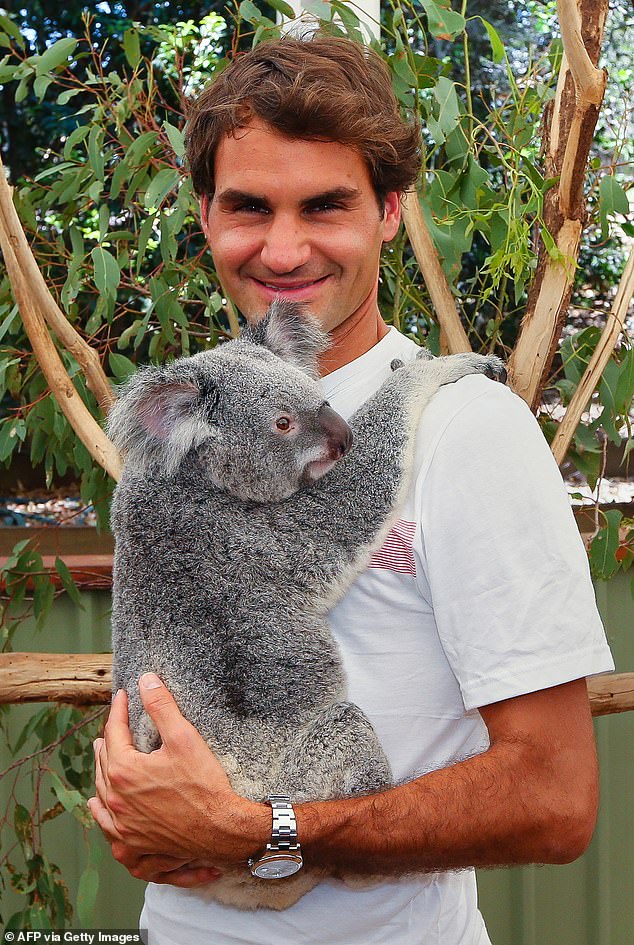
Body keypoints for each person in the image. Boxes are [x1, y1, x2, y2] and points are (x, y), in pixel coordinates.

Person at [89, 34, 614, 945]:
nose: (283, 249)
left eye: (325, 205)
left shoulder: (469, 428)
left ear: (389, 210)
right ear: (205, 215)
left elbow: (556, 800)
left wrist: (263, 835)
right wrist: (138, 796)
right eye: (249, 207)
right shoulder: (185, 423)